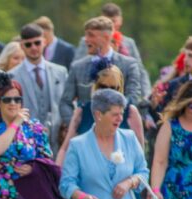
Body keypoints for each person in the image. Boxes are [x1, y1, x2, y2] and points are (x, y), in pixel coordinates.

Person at [54, 64, 145, 199]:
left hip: (121, 182)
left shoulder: (129, 111)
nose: (108, 90)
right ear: (96, 86)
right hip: (89, 181)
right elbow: (68, 143)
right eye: (104, 85)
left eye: (114, 87)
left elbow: (140, 148)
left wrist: (133, 181)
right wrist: (58, 170)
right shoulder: (84, 110)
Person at [60, 16, 142, 132]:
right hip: (86, 135)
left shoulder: (129, 65)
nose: (86, 40)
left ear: (106, 37)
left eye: (91, 35)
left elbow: (133, 97)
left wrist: (116, 119)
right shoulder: (77, 67)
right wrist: (76, 127)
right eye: (86, 35)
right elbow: (65, 102)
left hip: (119, 132)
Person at [73, 3, 151, 98]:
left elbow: (140, 70)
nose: (110, 24)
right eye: (106, 20)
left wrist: (147, 94)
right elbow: (77, 67)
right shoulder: (86, 41)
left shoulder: (128, 43)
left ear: (120, 21)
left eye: (113, 21)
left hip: (123, 90)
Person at [10, 23, 68, 153]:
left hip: (57, 144)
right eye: (28, 44)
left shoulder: (61, 72)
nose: (34, 47)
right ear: (21, 46)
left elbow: (67, 104)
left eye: (37, 43)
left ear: (45, 42)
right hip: (25, 145)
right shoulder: (12, 76)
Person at [151, 36, 192, 115]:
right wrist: (155, 106)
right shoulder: (174, 85)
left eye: (191, 56)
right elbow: (163, 120)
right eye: (185, 55)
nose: (185, 60)